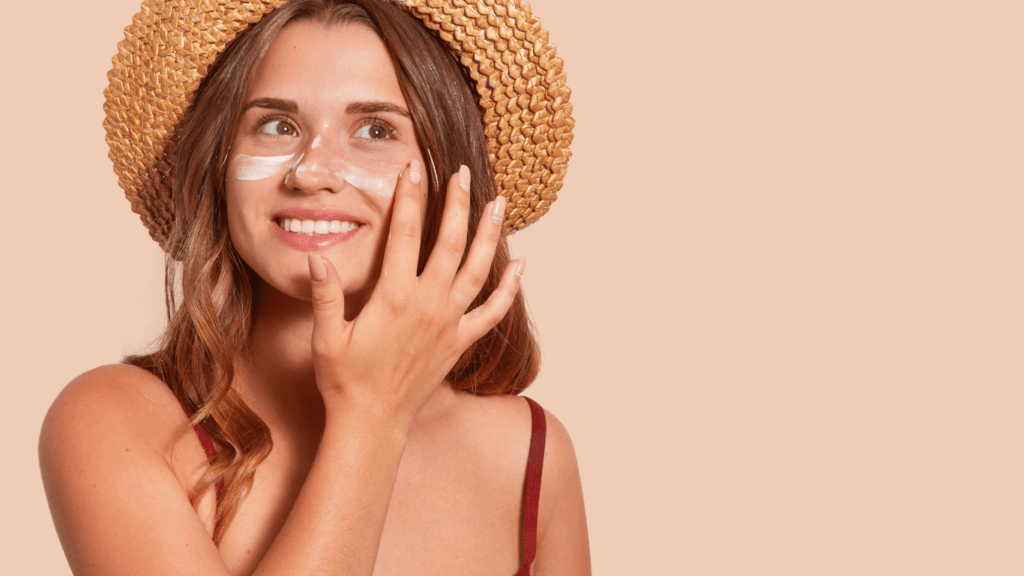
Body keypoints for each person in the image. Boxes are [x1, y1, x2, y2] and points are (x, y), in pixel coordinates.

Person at [38, 0, 590, 574]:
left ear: (454, 175)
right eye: (277, 125)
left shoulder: (530, 454)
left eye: (375, 129)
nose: (311, 171)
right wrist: (371, 415)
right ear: (218, 167)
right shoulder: (116, 421)